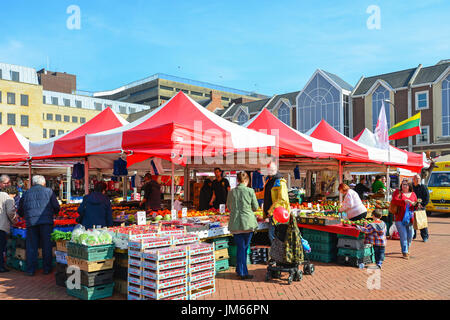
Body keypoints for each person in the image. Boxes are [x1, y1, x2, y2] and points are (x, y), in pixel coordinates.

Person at [18, 175, 60, 276]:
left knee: (31, 246)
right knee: (47, 245)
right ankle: (46, 268)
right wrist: (54, 213)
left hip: (31, 222)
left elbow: (20, 209)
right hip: (46, 222)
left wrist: (24, 216)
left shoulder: (26, 193)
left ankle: (31, 269)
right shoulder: (49, 191)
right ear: (43, 183)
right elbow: (56, 206)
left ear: (33, 183)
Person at [226, 172, 259, 280]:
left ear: (238, 180)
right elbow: (255, 207)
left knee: (241, 248)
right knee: (243, 248)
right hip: (248, 223)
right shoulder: (250, 191)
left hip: (235, 223)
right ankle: (242, 272)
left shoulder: (231, 192)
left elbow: (229, 207)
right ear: (246, 180)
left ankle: (240, 269)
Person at [261, 156, 290, 244]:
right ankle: (276, 256)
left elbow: (282, 199)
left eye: (270, 168)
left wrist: (271, 211)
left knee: (274, 237)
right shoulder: (269, 180)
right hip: (272, 215)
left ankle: (279, 257)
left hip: (278, 216)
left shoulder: (280, 182)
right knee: (273, 237)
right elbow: (265, 194)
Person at [391, 180, 417, 260]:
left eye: (406, 184)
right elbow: (394, 201)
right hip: (399, 217)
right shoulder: (397, 192)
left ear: (409, 186)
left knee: (411, 235)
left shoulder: (413, 194)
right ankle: (405, 251)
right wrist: (404, 201)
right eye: (403, 184)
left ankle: (407, 247)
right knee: (403, 236)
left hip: (410, 218)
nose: (404, 186)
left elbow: (416, 203)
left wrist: (416, 204)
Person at [0, 186, 17, 273]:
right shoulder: (9, 198)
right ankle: (1, 267)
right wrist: (14, 221)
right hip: (1, 226)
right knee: (1, 247)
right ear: (12, 194)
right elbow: (10, 212)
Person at [412, 174, 430, 242]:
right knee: (413, 222)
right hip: (412, 206)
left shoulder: (424, 187)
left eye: (418, 178)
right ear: (413, 180)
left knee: (422, 222)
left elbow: (427, 198)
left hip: (421, 207)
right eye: (416, 178)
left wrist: (422, 205)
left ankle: (425, 236)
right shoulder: (412, 187)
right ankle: (413, 236)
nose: (417, 180)